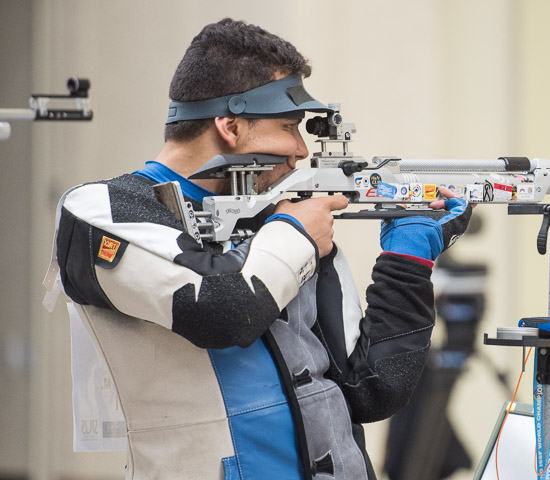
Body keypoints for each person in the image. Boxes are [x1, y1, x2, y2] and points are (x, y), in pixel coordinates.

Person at [50, 18, 472, 480]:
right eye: (289, 126)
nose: (301, 149)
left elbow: (374, 389)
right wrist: (295, 230)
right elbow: (222, 308)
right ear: (230, 126)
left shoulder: (277, 223)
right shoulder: (101, 210)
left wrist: (408, 260)